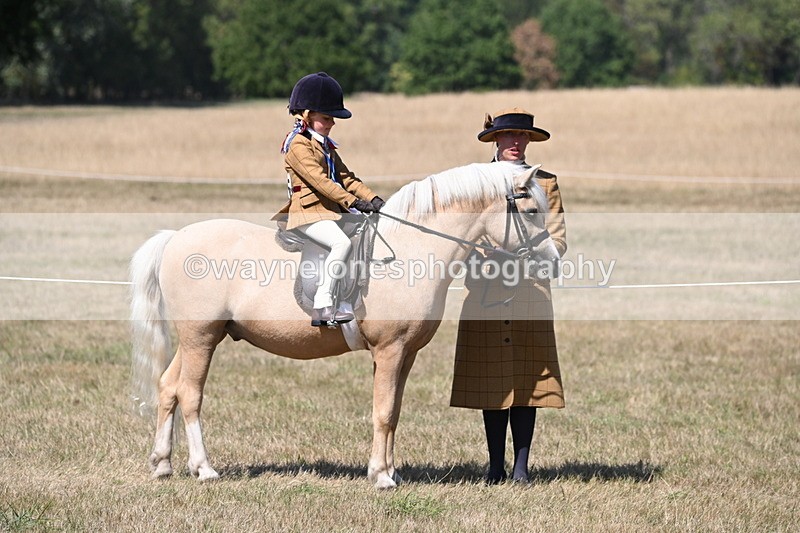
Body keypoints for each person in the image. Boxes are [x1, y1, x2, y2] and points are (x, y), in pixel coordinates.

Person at [450, 108, 567, 483]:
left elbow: (558, 239)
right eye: (509, 136)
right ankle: (494, 467)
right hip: (485, 292)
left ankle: (521, 469)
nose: (516, 143)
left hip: (531, 292)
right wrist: (481, 258)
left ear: (529, 141)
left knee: (527, 382)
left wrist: (527, 255)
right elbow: (459, 238)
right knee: (492, 384)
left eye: (522, 137)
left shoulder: (545, 183)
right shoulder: (474, 184)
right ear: (495, 140)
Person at [273, 72, 385, 327]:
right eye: (326, 118)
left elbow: (347, 178)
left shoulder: (324, 146)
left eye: (332, 118)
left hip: (330, 211)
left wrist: (375, 199)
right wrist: (353, 203)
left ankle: (348, 297)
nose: (332, 123)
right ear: (307, 115)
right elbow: (321, 182)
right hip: (308, 212)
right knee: (341, 245)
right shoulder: (298, 147)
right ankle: (323, 305)